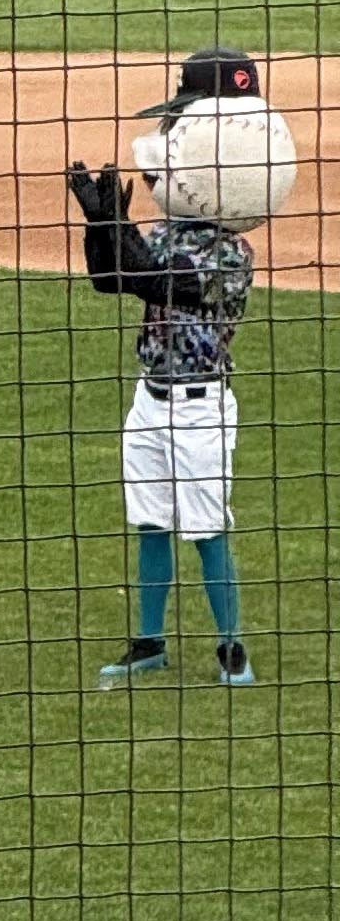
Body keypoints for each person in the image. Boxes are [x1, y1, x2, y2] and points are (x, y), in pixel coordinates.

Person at [66, 48, 293, 689]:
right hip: (150, 398)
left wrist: (116, 223)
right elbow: (113, 280)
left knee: (206, 525)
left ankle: (231, 650)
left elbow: (160, 284)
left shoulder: (232, 255)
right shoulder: (168, 232)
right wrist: (98, 224)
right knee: (150, 519)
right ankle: (148, 642)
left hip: (201, 408)